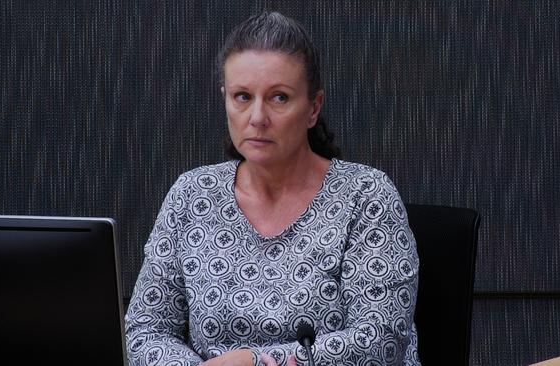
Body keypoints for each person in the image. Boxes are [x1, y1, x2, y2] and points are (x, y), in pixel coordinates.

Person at [125, 11, 420, 366]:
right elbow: (144, 332)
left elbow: (380, 341)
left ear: (313, 108)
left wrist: (255, 362)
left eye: (279, 97)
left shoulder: (366, 195)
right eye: (242, 96)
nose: (258, 117)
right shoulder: (192, 193)